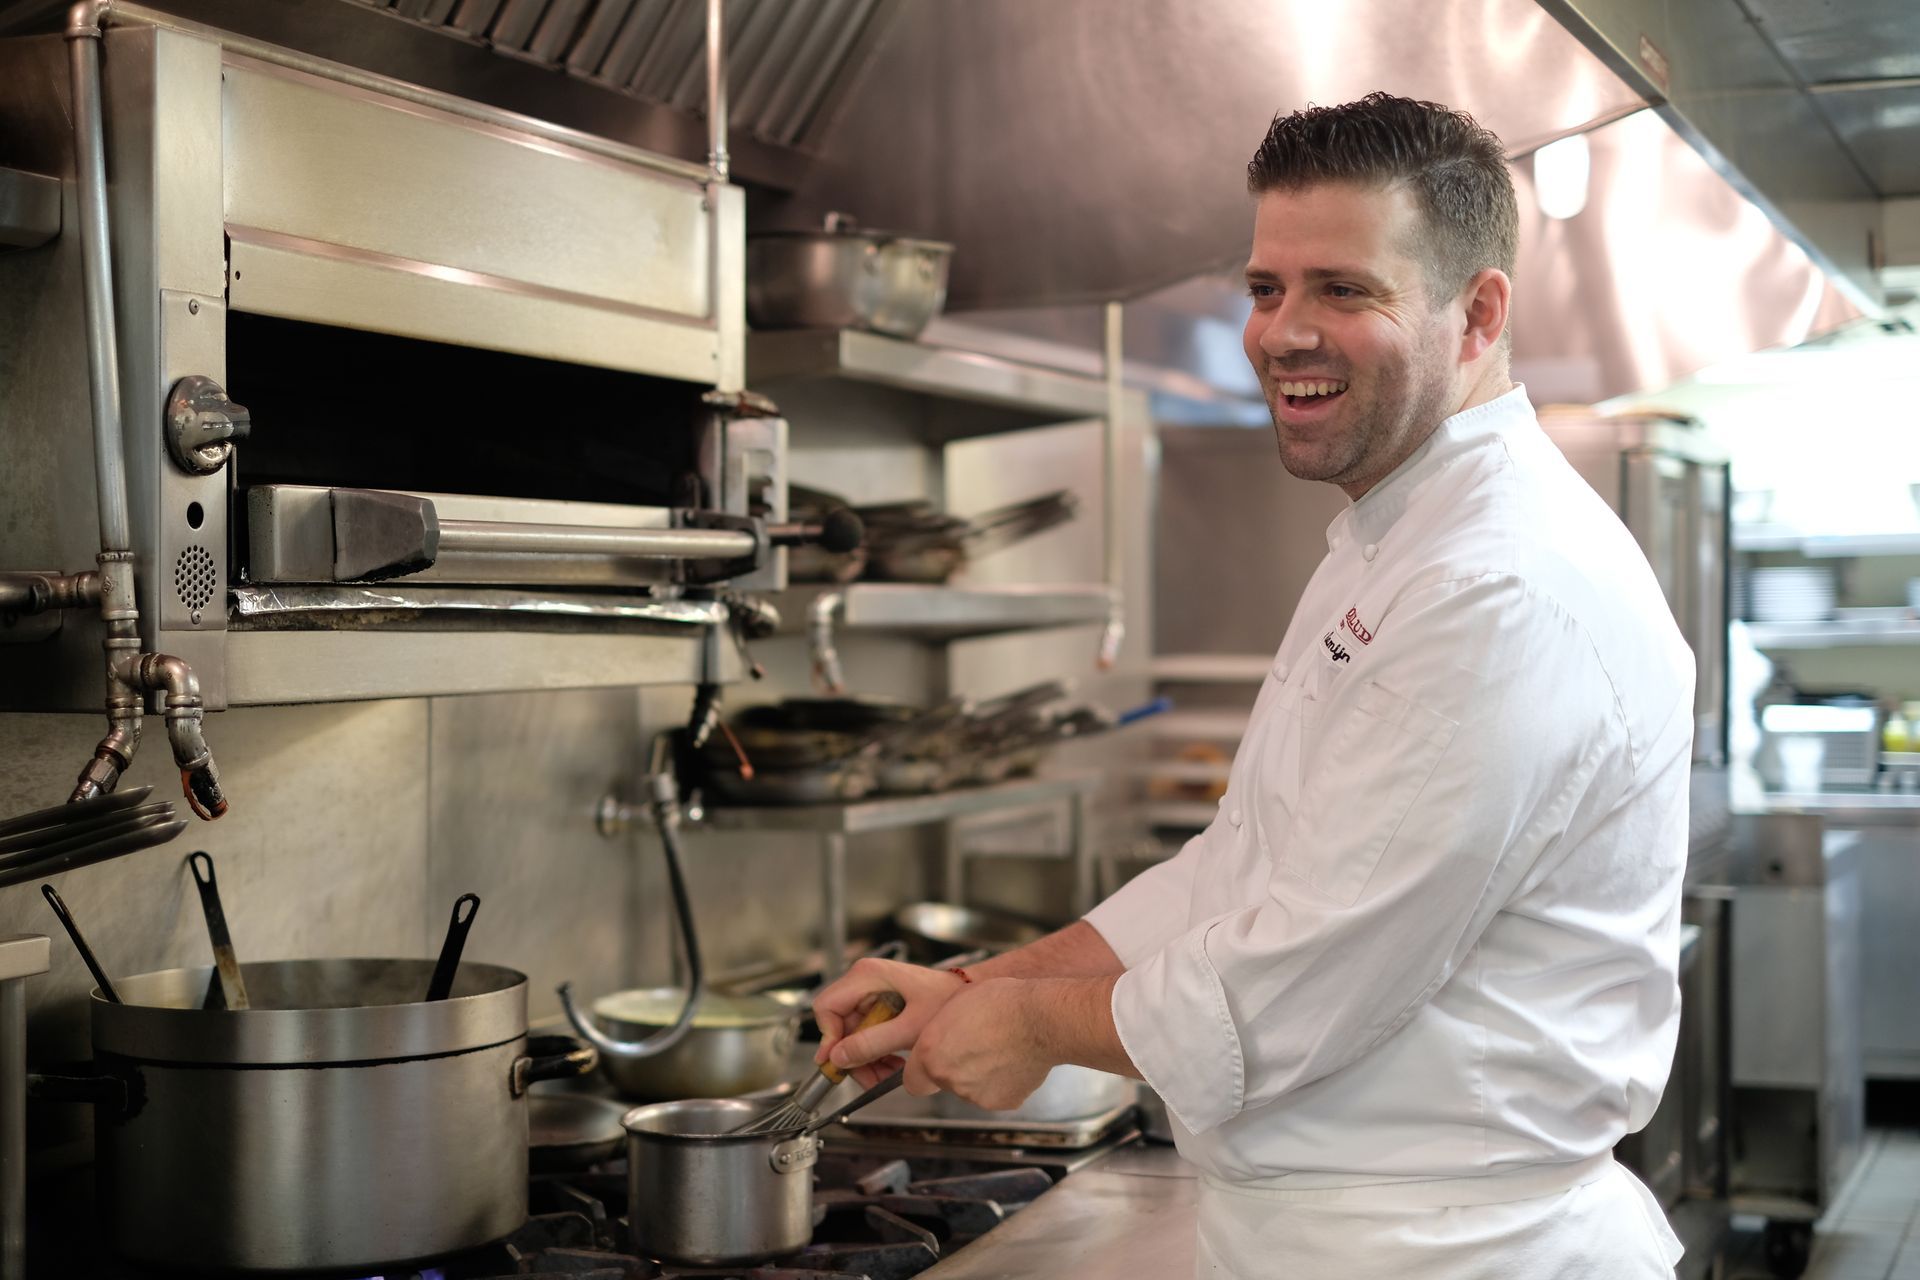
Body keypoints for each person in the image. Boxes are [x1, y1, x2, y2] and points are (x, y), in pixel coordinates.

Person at [812, 92, 1693, 1279]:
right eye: (1265, 288)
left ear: (1477, 313)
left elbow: (1300, 978)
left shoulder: (1501, 588)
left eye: (1344, 288)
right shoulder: (1394, 542)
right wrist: (980, 983)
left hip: (1454, 1247)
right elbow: (1240, 869)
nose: (1283, 331)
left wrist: (1027, 1028)